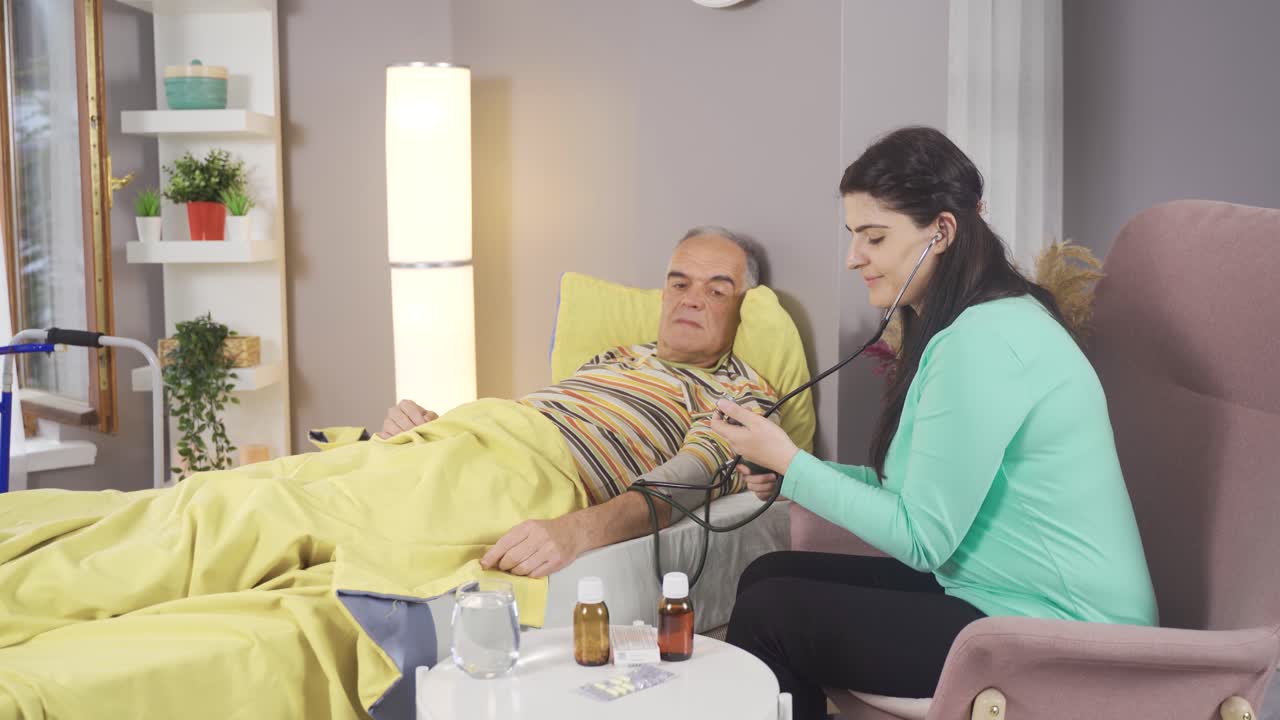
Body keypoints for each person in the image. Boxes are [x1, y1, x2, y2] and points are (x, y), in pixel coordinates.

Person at [710, 127, 1157, 719]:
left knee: (774, 616)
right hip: (998, 599)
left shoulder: (985, 341)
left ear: (941, 231)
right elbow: (917, 494)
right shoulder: (970, 325)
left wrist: (792, 461)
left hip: (1068, 635)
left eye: (873, 237)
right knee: (769, 577)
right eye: (853, 237)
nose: (853, 257)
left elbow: (923, 538)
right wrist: (788, 473)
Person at [379, 226, 778, 578]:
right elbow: (544, 417)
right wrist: (432, 427)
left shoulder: (738, 391)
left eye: (716, 291)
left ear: (742, 308)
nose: (690, 299)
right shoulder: (617, 356)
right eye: (679, 284)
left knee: (367, 517)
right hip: (475, 436)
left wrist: (576, 531)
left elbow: (686, 481)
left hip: (535, 474)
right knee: (331, 480)